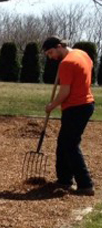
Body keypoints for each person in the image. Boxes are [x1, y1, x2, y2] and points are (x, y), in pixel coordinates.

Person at [42, 36, 95, 196]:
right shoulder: (82, 54)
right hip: (86, 104)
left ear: (59, 46)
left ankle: (85, 185)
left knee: (70, 145)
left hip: (76, 107)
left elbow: (65, 92)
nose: (51, 57)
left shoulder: (66, 63)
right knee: (63, 143)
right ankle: (64, 180)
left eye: (51, 52)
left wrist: (52, 105)